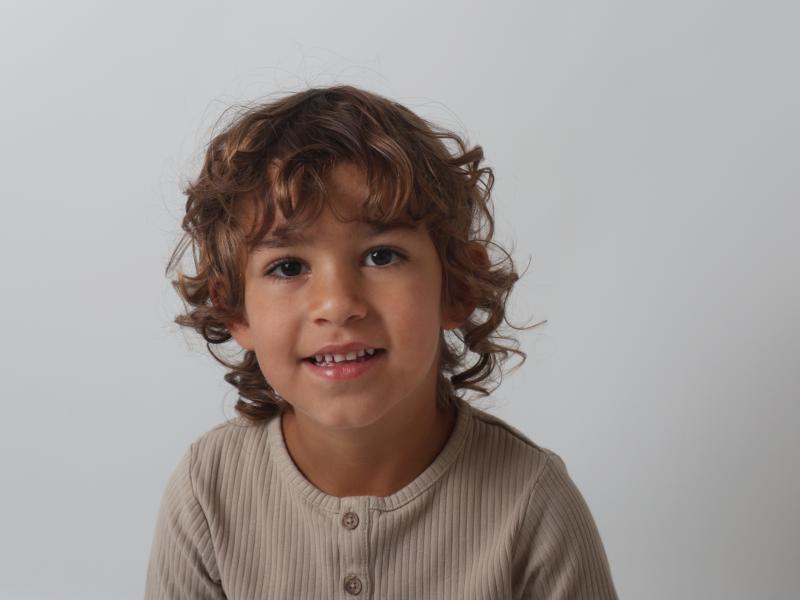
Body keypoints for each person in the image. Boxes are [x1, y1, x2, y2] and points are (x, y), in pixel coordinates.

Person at [145, 84, 618, 599]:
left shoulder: (532, 501)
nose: (337, 304)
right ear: (235, 310)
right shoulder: (207, 491)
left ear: (457, 288)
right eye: (288, 267)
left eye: (381, 256)